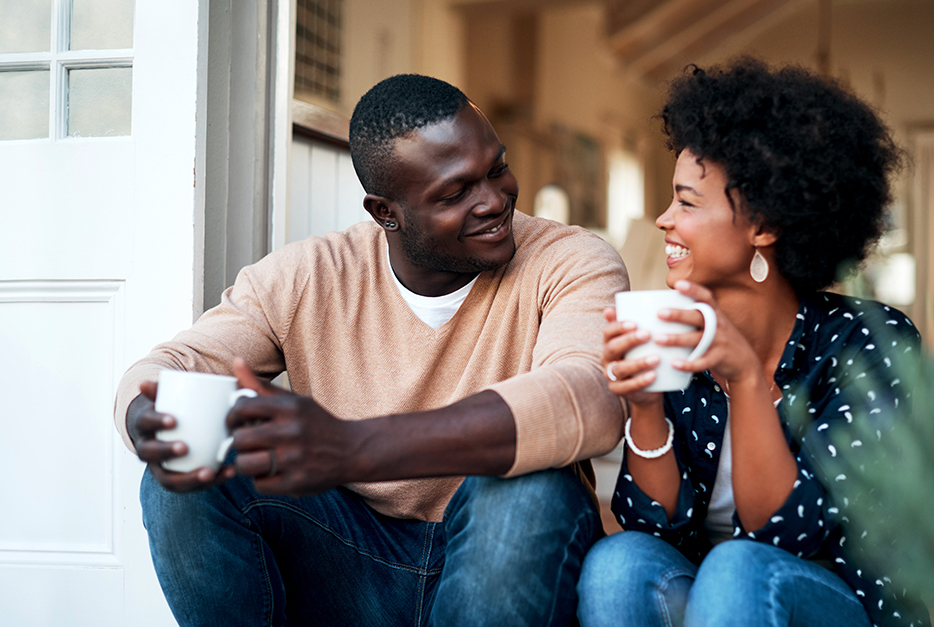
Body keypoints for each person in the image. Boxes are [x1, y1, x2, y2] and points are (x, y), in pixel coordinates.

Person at [115, 73, 629, 626]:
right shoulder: (308, 276)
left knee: (530, 488)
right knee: (187, 470)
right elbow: (165, 368)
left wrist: (353, 446)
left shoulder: (572, 260)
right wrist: (151, 418)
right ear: (386, 212)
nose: (494, 200)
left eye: (497, 169)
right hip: (351, 563)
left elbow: (590, 399)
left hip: (503, 557)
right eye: (456, 193)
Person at [577, 58, 931, 627]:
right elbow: (654, 527)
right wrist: (644, 407)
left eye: (687, 202)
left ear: (763, 225)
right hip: (720, 599)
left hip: (834, 602)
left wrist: (744, 378)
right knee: (619, 562)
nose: (664, 220)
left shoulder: (866, 344)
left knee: (739, 568)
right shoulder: (679, 334)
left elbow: (784, 536)